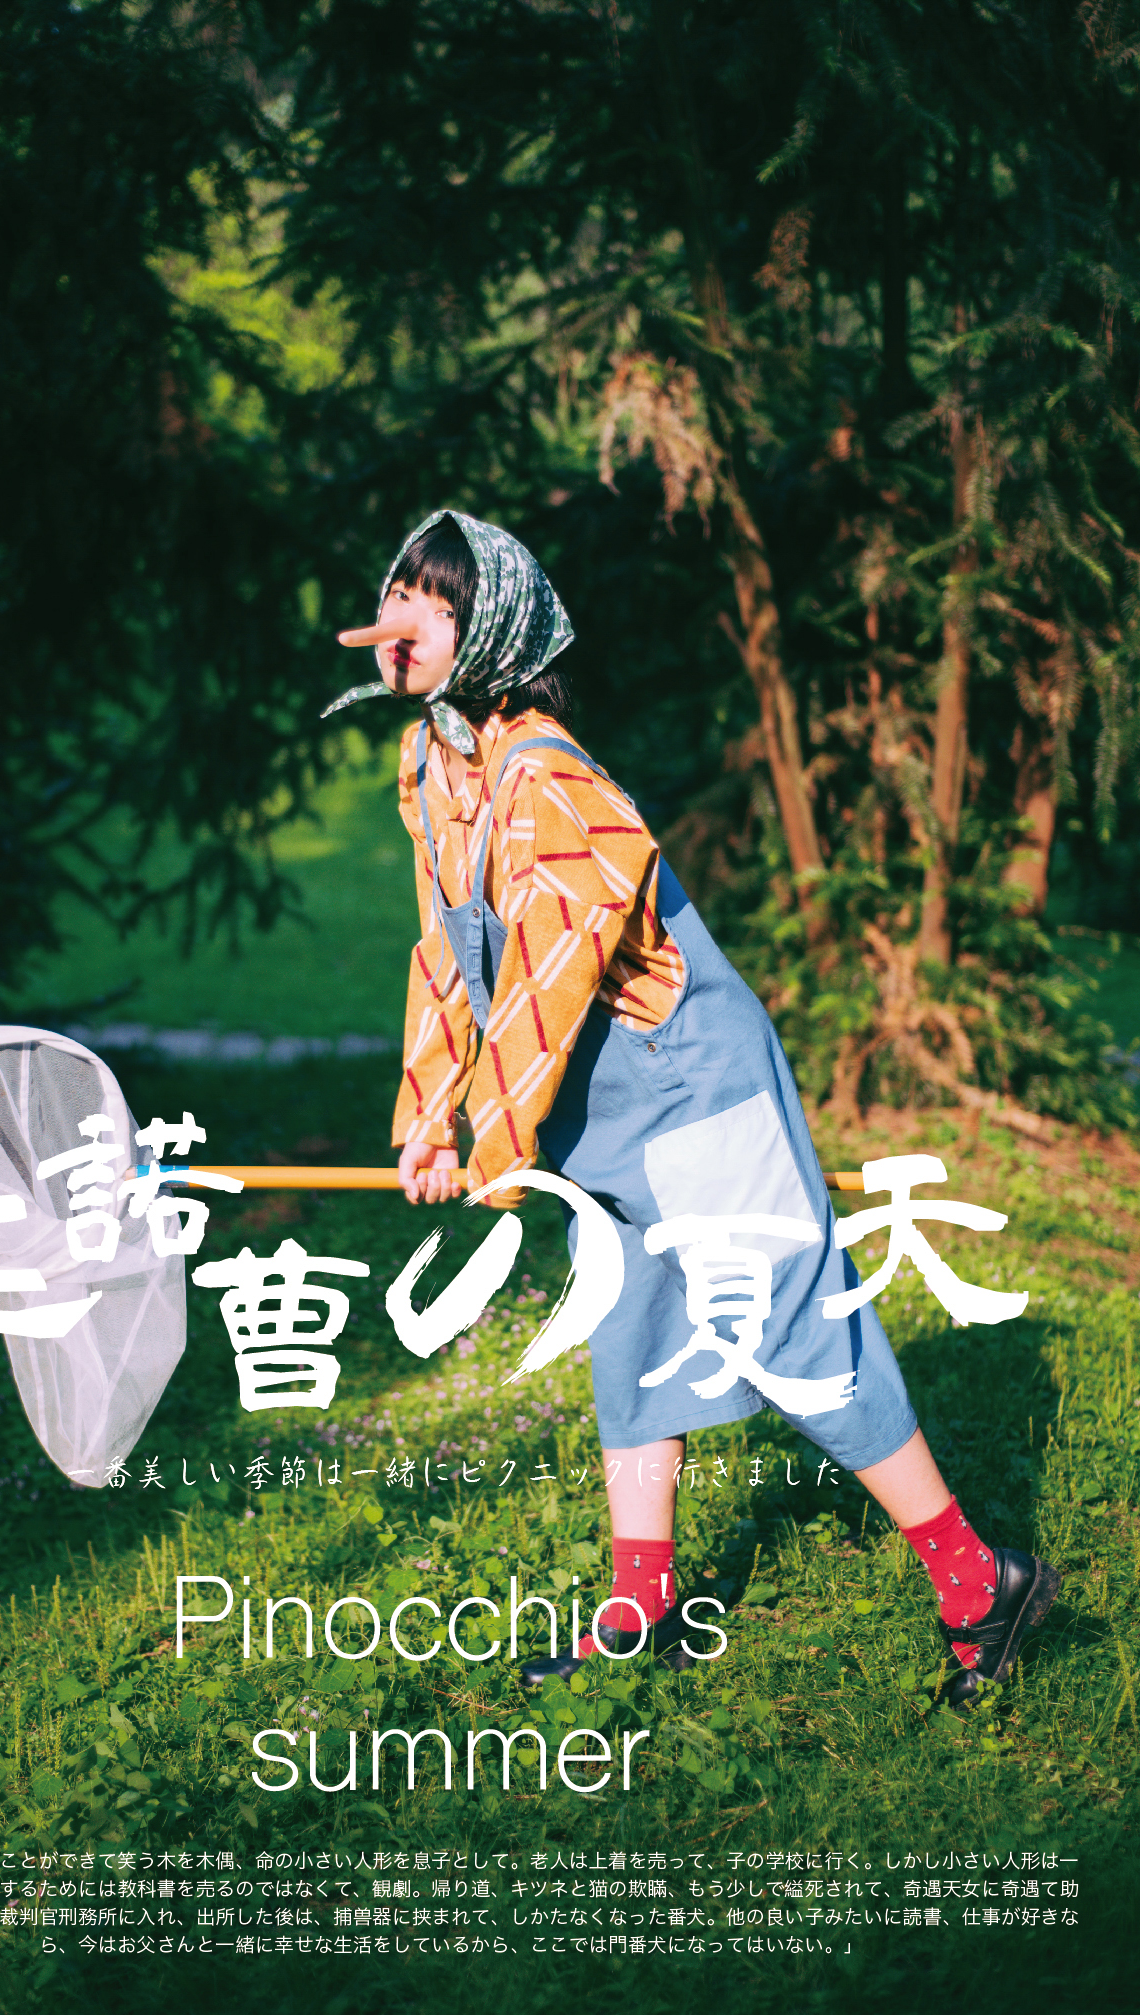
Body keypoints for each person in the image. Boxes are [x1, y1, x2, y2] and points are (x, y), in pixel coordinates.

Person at [323, 508, 1059, 1709]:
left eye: (432, 602)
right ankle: (640, 1610)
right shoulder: (434, 769)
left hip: (687, 1083)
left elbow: (553, 968)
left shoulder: (547, 778)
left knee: (795, 1335)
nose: (396, 617)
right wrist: (427, 1115)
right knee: (632, 1336)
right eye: (395, 589)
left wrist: (494, 1138)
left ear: (490, 630)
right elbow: (447, 951)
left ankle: (982, 1583)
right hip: (595, 1109)